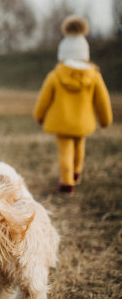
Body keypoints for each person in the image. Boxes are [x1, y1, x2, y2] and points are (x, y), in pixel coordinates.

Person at [33, 15, 113, 194]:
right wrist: (105, 120)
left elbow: (43, 99)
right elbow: (103, 100)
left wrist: (39, 115)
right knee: (79, 147)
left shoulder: (55, 75)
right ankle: (77, 171)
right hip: (83, 122)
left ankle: (67, 181)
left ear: (63, 53)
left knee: (65, 151)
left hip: (61, 122)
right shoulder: (94, 75)